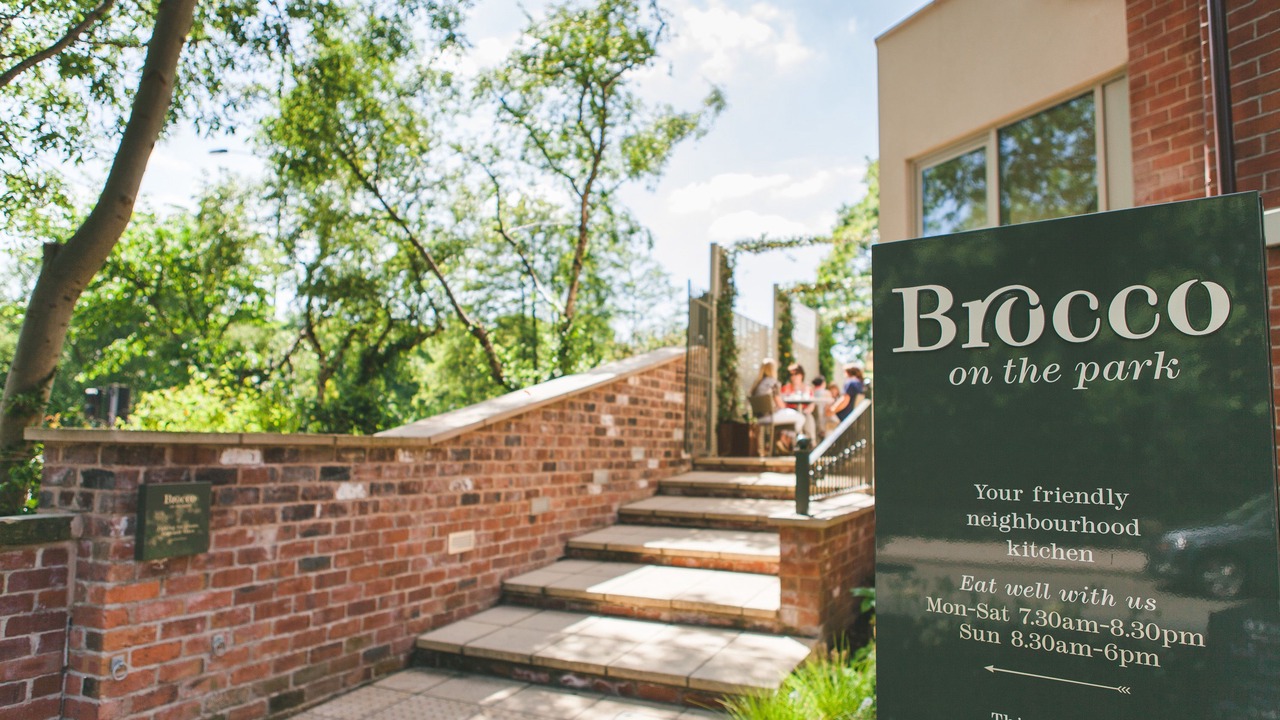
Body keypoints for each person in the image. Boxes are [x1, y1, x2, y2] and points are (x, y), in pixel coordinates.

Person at [750, 359, 806, 448]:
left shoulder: (756, 384)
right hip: (770, 416)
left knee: (789, 416)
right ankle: (787, 442)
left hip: (759, 417)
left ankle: (783, 440)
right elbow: (781, 405)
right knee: (801, 418)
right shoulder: (773, 383)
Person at [780, 363, 817, 439]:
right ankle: (794, 442)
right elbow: (781, 402)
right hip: (790, 412)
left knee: (809, 418)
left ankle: (812, 442)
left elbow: (812, 404)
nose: (793, 377)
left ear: (801, 375)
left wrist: (807, 411)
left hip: (804, 412)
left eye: (796, 374)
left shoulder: (808, 388)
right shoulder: (786, 388)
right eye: (791, 375)